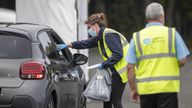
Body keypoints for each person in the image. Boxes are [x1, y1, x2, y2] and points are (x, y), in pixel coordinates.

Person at [57, 12, 129, 108]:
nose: (90, 30)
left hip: (121, 71)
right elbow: (86, 43)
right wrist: (68, 45)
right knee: (106, 98)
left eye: (90, 27)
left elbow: (118, 54)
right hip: (116, 70)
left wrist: (104, 64)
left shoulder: (108, 35)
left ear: (95, 25)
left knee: (115, 99)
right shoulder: (101, 37)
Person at [126, 2, 190, 108]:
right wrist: (170, 65)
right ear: (162, 17)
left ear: (147, 18)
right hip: (168, 88)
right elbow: (183, 60)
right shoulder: (172, 33)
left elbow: (130, 67)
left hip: (146, 89)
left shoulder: (136, 37)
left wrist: (133, 89)